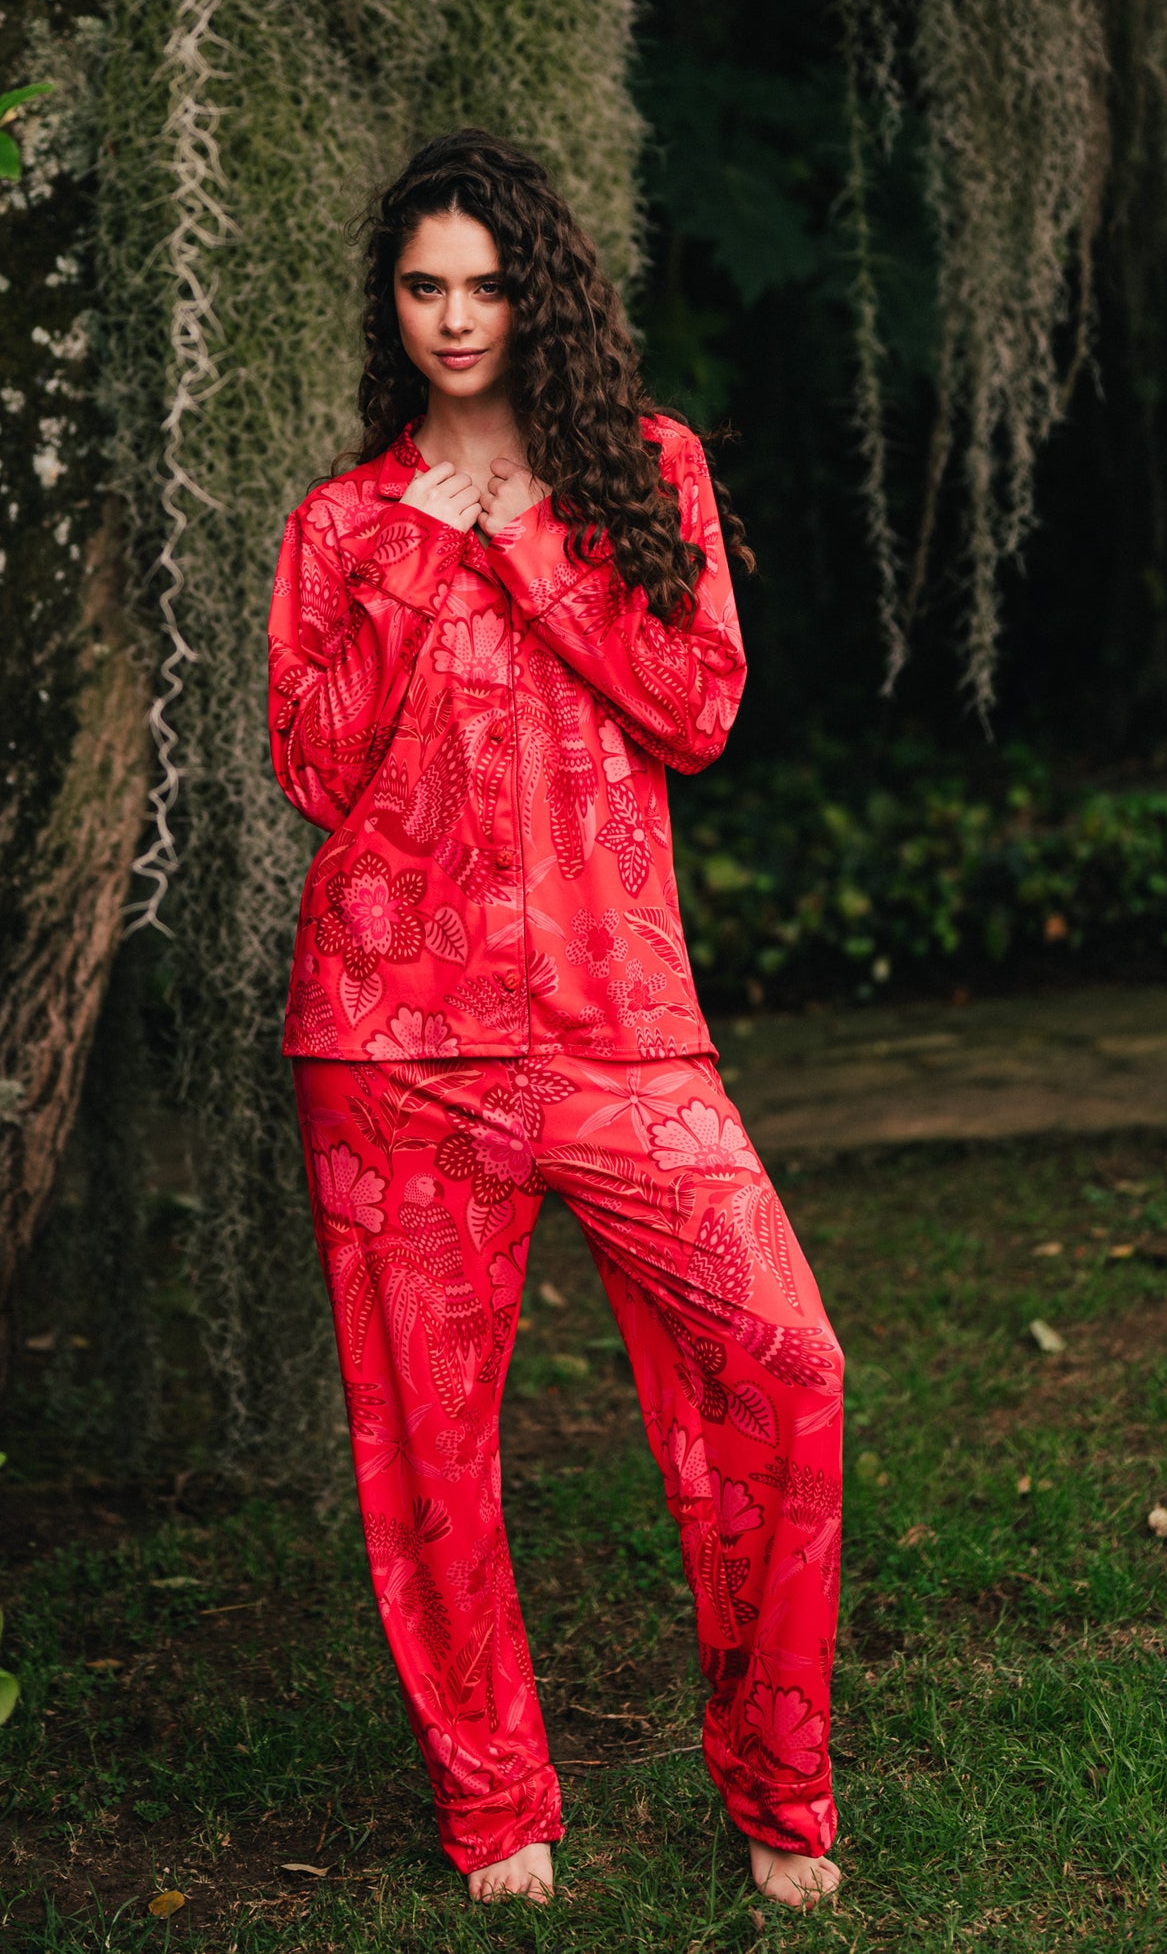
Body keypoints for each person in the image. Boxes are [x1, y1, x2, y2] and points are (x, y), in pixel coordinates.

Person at [267, 127, 844, 1910]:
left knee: (783, 1367)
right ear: (389, 304)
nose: (455, 317)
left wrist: (525, 546)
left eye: (487, 284)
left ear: (542, 296)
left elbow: (697, 704)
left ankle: (776, 1782)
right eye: (423, 286)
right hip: (391, 1045)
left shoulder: (643, 474)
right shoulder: (343, 523)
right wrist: (418, 557)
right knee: (428, 1450)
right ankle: (493, 1797)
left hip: (617, 1025)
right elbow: (313, 765)